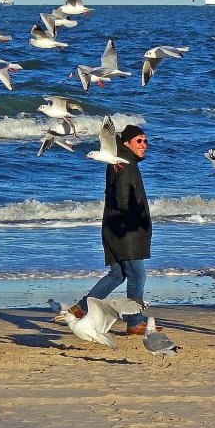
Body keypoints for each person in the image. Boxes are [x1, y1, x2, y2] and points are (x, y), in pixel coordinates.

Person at [69, 125, 151, 336]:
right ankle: (134, 321)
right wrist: (136, 221)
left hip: (113, 227)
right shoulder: (125, 166)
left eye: (145, 141)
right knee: (136, 276)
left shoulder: (120, 163)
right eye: (139, 141)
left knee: (117, 274)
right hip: (126, 231)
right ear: (126, 143)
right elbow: (124, 201)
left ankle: (81, 308)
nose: (144, 145)